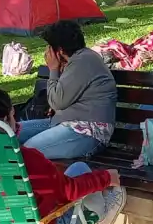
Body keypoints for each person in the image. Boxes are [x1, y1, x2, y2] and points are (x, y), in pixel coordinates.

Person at [0, 89, 126, 224]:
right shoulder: (26, 159)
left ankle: (102, 213)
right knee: (80, 170)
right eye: (12, 114)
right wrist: (107, 177)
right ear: (4, 120)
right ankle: (104, 215)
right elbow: (68, 191)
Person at [18, 21, 116, 160]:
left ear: (60, 50)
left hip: (88, 132)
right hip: (63, 123)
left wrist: (53, 69)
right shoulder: (79, 59)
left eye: (49, 48)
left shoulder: (83, 61)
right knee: (8, 133)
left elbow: (57, 102)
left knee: (28, 152)